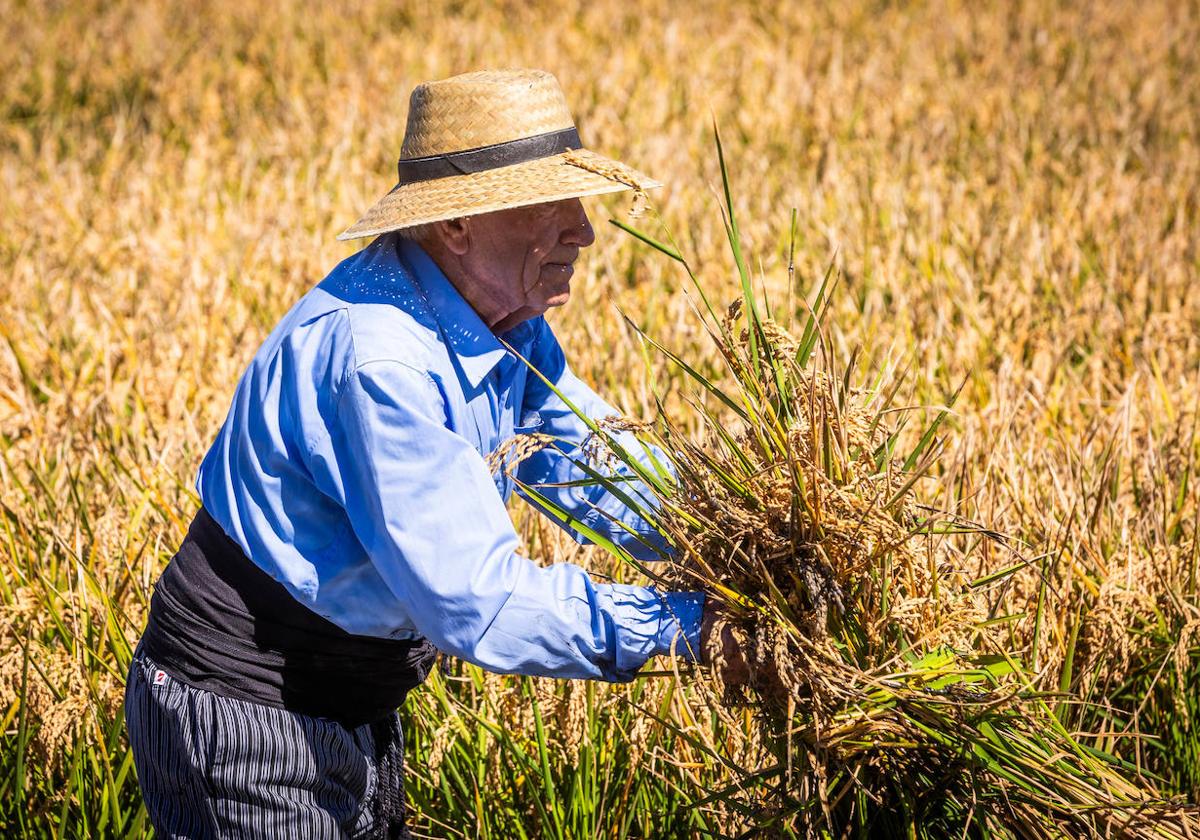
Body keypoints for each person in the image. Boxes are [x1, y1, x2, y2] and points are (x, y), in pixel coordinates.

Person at [124, 68, 736, 839]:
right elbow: (477, 603)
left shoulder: (501, 323)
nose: (583, 230)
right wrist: (692, 625)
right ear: (456, 225)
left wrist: (738, 541)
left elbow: (593, 464)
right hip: (246, 715)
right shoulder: (384, 364)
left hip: (353, 703)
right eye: (552, 203)